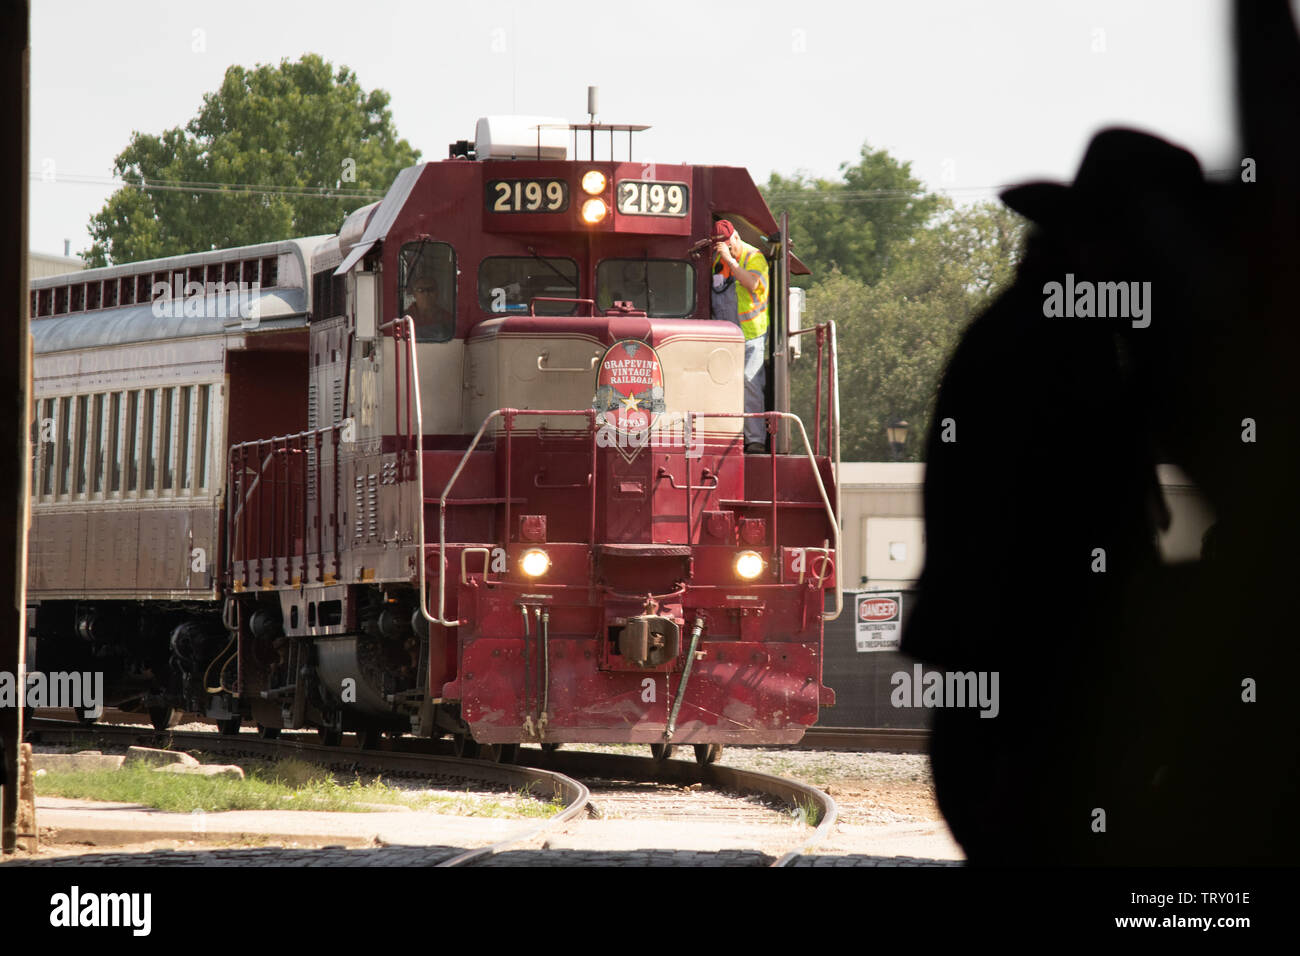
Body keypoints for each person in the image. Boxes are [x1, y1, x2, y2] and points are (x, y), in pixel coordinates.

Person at [712, 219, 769, 452]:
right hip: (724, 336)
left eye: (728, 244)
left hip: (751, 335)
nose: (726, 249)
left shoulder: (754, 257)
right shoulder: (717, 261)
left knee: (750, 382)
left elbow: (753, 284)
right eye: (721, 247)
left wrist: (730, 261)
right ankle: (722, 437)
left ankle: (755, 440)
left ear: (735, 237)